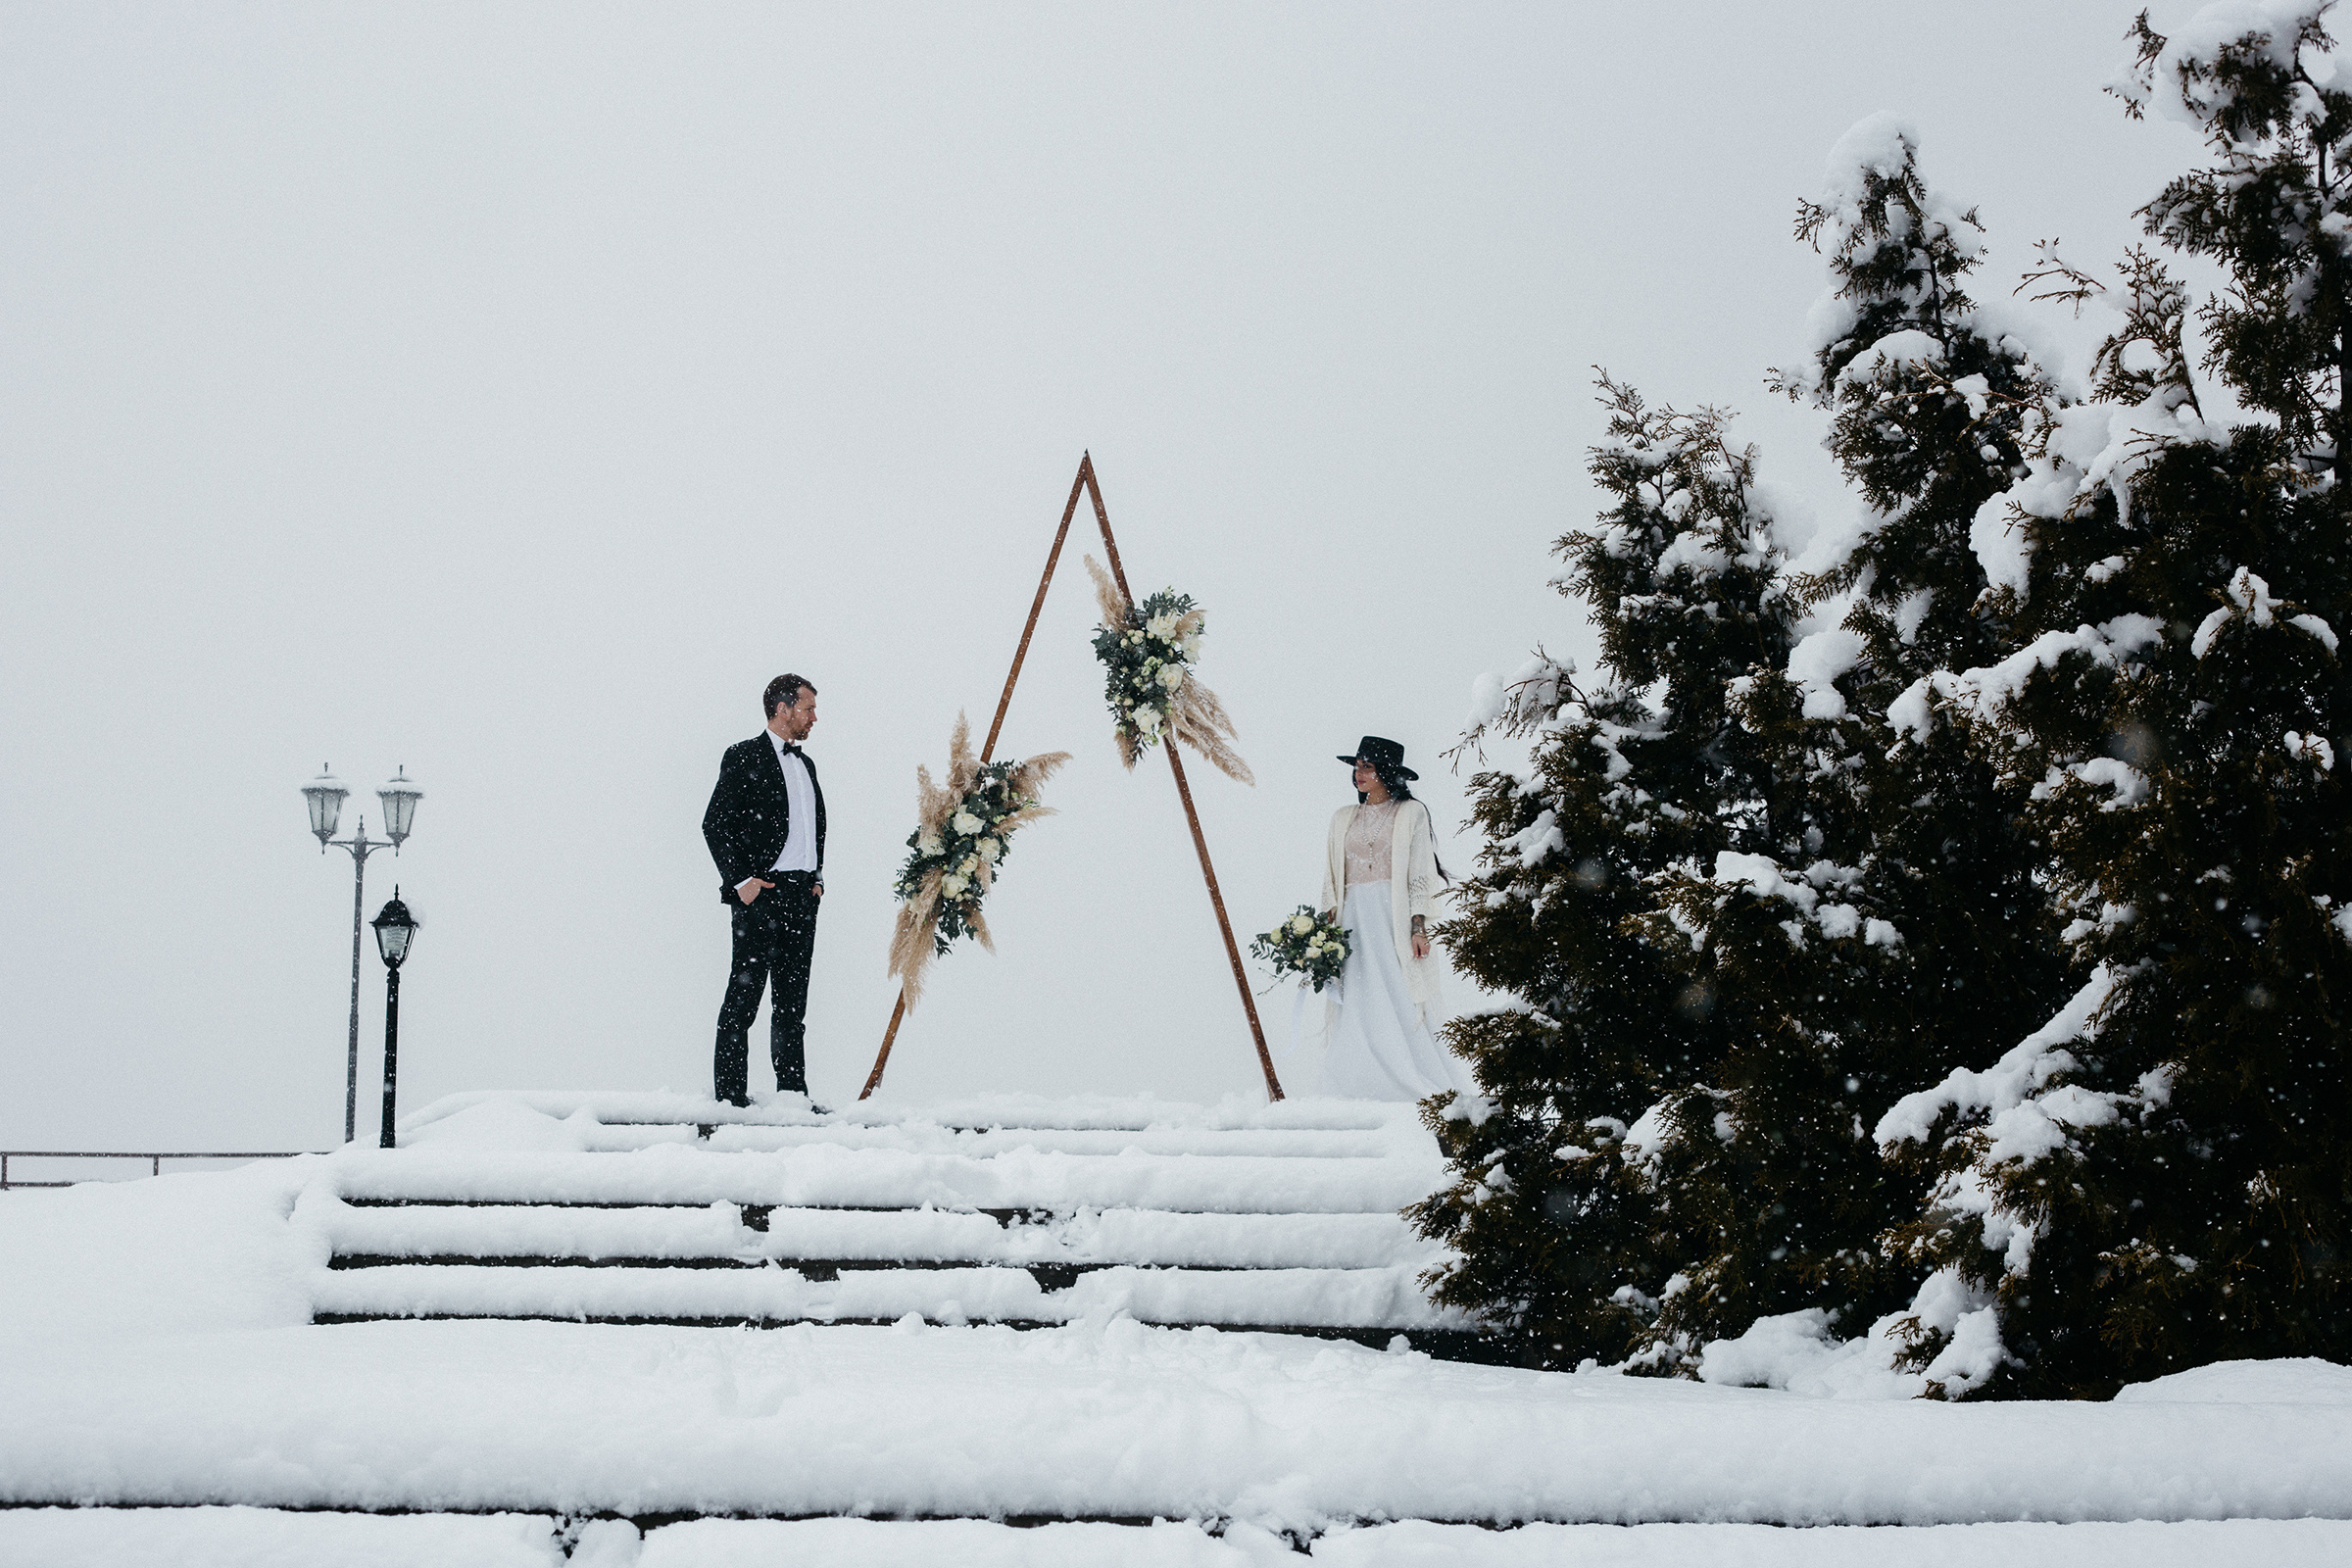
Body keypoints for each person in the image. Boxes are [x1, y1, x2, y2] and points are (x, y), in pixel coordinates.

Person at [1315, 736, 1474, 1102]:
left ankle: (1413, 1076)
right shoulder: (1342, 818)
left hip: (1393, 914)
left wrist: (1419, 928)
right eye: (1356, 766)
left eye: (1367, 766)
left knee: (1400, 991)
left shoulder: (1411, 813)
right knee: (1358, 992)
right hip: (1352, 917)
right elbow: (1330, 878)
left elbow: (1420, 872)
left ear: (1385, 771)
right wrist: (1324, 931)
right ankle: (1357, 1081)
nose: (1359, 774)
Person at [703, 673, 826, 1108]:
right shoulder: (743, 756)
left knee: (793, 1006)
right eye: (808, 708)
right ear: (782, 709)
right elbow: (714, 824)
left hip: (801, 898)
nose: (814, 717)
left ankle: (792, 1096)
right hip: (762, 896)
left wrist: (816, 879)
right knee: (744, 999)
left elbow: (813, 828)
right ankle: (729, 1099)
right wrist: (741, 883)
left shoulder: (805, 763)